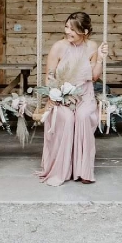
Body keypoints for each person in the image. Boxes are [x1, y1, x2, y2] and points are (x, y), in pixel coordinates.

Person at [38, 12, 108, 186]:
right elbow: (49, 76)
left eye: (72, 29)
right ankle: (61, 169)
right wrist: (54, 94)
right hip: (61, 95)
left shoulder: (92, 46)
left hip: (85, 95)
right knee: (67, 119)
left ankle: (83, 170)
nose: (67, 31)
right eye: (67, 26)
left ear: (84, 31)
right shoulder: (58, 47)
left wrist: (100, 58)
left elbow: (93, 77)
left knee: (83, 117)